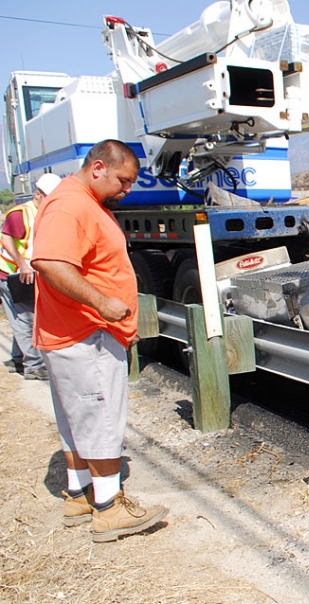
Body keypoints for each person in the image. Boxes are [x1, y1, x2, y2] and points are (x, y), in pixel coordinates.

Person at [31, 140, 168, 542]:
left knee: (77, 419)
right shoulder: (72, 205)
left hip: (76, 331)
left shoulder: (80, 202)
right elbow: (50, 262)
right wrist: (103, 305)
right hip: (85, 333)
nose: (127, 190)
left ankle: (79, 494)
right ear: (97, 168)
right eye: (123, 181)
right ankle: (108, 508)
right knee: (101, 417)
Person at [0, 173, 60, 380]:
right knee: (26, 319)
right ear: (37, 194)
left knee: (24, 316)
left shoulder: (45, 212)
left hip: (29, 273)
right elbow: (6, 240)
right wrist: (22, 264)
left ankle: (17, 357)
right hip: (11, 274)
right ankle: (34, 365)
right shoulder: (20, 214)